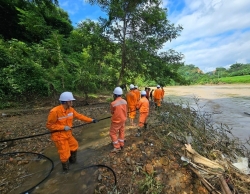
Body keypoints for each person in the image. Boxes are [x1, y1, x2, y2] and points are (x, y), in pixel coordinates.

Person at [46, 91, 98, 173]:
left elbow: (80, 116)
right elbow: (49, 126)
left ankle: (73, 163)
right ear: (66, 101)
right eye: (71, 101)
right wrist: (63, 127)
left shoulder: (71, 110)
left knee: (74, 145)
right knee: (64, 153)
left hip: (68, 134)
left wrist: (91, 120)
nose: (72, 102)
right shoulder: (54, 111)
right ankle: (66, 170)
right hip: (59, 137)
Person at [110, 87, 127, 153]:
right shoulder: (125, 101)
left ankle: (117, 147)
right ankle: (121, 144)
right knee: (121, 131)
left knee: (112, 133)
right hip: (123, 120)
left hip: (116, 121)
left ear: (115, 95)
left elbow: (112, 112)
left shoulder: (113, 103)